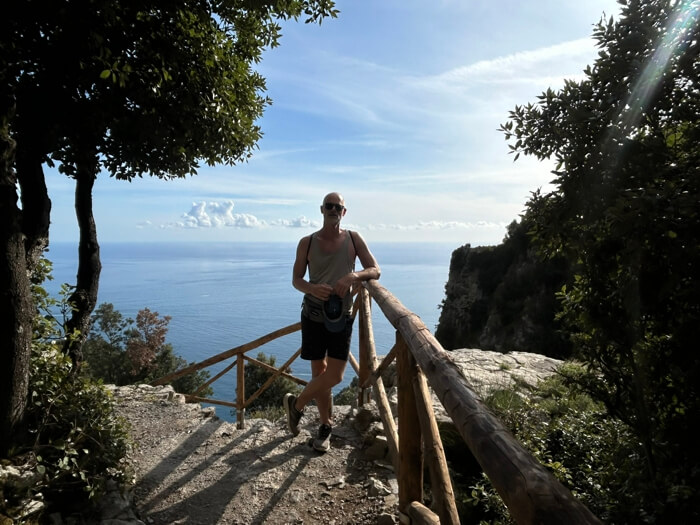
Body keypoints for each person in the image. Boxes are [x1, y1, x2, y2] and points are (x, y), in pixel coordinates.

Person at [284, 192, 380, 452]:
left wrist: (353, 276)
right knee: (319, 373)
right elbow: (296, 279)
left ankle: (297, 405)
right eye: (330, 205)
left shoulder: (353, 238)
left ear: (344, 212)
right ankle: (325, 427)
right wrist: (311, 289)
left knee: (335, 375)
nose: (334, 210)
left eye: (339, 207)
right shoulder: (307, 242)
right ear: (322, 209)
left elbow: (375, 269)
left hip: (341, 316)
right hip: (313, 314)